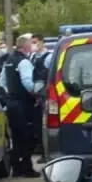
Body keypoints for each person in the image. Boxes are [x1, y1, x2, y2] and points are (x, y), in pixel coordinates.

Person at [0, 35, 40, 178]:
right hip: (24, 104)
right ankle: (27, 168)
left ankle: (16, 167)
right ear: (25, 47)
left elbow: (2, 82)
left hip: (12, 103)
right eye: (30, 44)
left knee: (16, 137)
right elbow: (28, 83)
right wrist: (38, 94)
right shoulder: (24, 62)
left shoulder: (9, 61)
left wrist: (8, 96)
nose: (32, 46)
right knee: (28, 135)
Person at [30, 34, 53, 163]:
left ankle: (47, 153)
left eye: (35, 42)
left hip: (44, 94)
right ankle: (41, 150)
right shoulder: (33, 57)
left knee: (45, 124)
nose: (33, 44)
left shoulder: (48, 57)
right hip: (35, 94)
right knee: (38, 125)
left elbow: (50, 76)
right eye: (32, 42)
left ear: (41, 42)